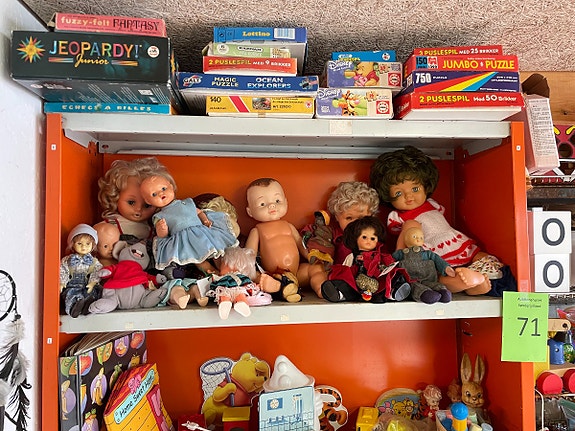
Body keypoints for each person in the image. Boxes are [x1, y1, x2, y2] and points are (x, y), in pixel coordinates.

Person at [370, 145, 509, 295]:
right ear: (388, 196)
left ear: (425, 186)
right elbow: (403, 245)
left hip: (452, 240)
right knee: (440, 277)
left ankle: (477, 283)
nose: (409, 196)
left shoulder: (432, 204)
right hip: (431, 250)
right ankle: (463, 283)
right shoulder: (400, 218)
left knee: (480, 256)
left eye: (415, 189)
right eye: (398, 193)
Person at [140, 168, 238, 275]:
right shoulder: (159, 216)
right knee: (197, 260)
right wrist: (162, 230)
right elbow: (163, 237)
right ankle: (212, 272)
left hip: (201, 232)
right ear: (148, 201)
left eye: (163, 188)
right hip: (184, 240)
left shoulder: (187, 202)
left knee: (216, 250)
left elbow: (199, 212)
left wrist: (205, 220)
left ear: (171, 187)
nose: (161, 193)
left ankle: (225, 270)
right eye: (154, 194)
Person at [301, 181, 381, 298]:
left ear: (371, 216)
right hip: (335, 274)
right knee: (315, 269)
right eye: (349, 218)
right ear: (337, 217)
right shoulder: (333, 233)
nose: (355, 224)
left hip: (364, 276)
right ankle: (325, 291)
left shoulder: (374, 237)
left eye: (361, 219)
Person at [245, 177, 308, 302]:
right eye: (262, 204)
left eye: (277, 200)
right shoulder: (257, 231)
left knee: (315, 270)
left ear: (286, 202)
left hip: (296, 273)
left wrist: (310, 256)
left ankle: (324, 289)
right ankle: (285, 289)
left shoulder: (289, 226)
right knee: (266, 280)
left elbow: (300, 244)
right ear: (250, 211)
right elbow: (249, 255)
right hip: (274, 275)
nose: (272, 205)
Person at [320, 216, 410, 302]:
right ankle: (339, 293)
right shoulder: (352, 256)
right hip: (356, 283)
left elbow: (387, 264)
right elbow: (346, 268)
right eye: (364, 237)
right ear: (355, 238)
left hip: (376, 283)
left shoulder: (379, 255)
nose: (368, 241)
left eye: (372, 238)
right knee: (345, 282)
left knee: (391, 278)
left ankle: (394, 292)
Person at [97, 158, 160, 243]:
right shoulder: (108, 226)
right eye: (131, 202)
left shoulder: (156, 228)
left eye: (147, 205)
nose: (138, 209)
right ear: (116, 196)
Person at [392, 226, 454, 304]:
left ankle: (443, 292)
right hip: (411, 281)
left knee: (436, 285)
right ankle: (425, 295)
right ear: (406, 239)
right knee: (415, 288)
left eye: (421, 238)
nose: (418, 239)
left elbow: (438, 260)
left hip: (428, 279)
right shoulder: (401, 254)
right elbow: (391, 261)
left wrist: (445, 268)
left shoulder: (428, 254)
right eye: (414, 237)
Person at [59, 223, 103, 318]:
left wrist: (92, 282)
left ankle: (87, 306)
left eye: (88, 244)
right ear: (72, 244)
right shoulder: (67, 260)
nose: (84, 247)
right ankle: (74, 308)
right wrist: (62, 283)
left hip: (87, 284)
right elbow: (63, 270)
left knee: (91, 293)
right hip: (72, 284)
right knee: (71, 294)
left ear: (93, 245)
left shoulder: (94, 261)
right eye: (79, 244)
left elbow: (97, 271)